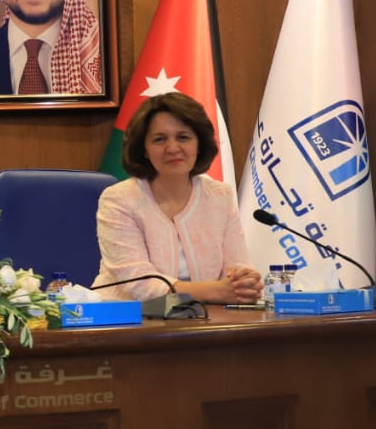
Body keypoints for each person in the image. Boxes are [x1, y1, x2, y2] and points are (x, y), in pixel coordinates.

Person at [94, 91, 261, 303]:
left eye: (183, 137)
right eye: (159, 139)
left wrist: (245, 282)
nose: (172, 148)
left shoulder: (220, 196)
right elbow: (139, 285)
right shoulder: (119, 199)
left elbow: (237, 267)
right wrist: (216, 292)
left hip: (206, 316)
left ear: (198, 144)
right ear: (144, 149)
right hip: (127, 316)